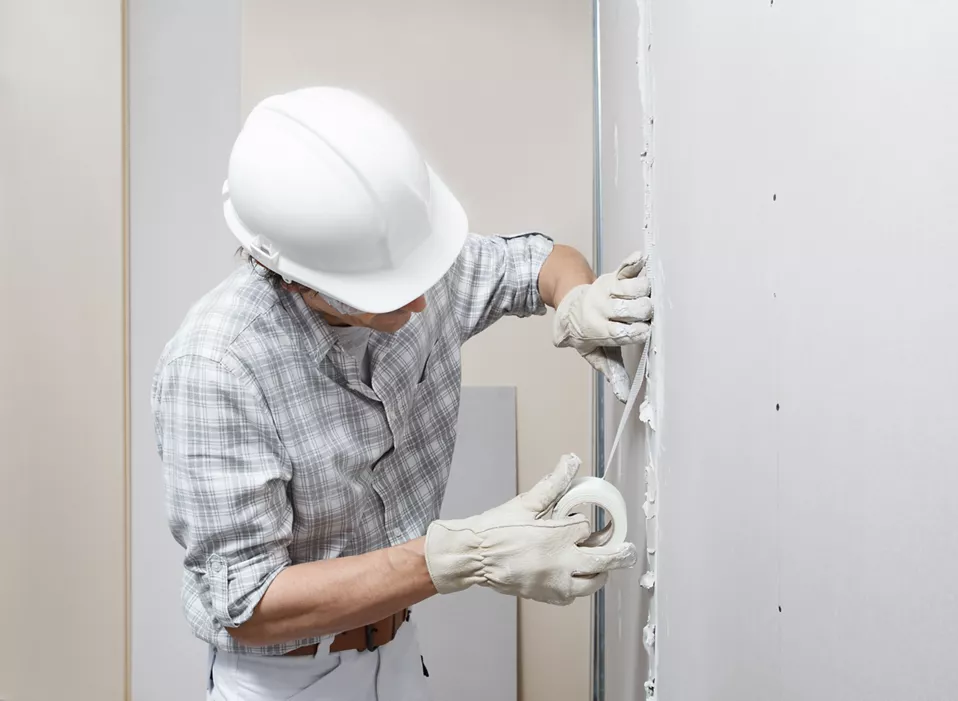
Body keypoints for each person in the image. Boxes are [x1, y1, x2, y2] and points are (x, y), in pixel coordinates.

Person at [152, 86, 649, 700]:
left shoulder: (411, 265)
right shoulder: (218, 366)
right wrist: (461, 557)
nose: (419, 303)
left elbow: (540, 263)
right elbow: (247, 604)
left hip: (397, 653)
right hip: (286, 681)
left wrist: (578, 297)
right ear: (296, 278)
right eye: (388, 291)